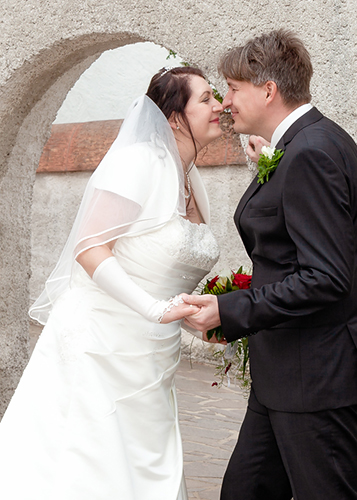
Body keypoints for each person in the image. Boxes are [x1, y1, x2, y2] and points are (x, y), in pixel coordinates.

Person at [0, 66, 223, 499]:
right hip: (101, 346)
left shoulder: (189, 178)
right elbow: (90, 248)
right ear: (175, 118)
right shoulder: (138, 162)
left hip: (152, 356)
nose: (219, 107)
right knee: (87, 466)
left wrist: (205, 314)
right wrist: (155, 310)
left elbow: (162, 266)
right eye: (207, 99)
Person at [183, 29, 357, 499]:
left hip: (315, 378)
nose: (225, 101)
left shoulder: (312, 152)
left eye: (233, 88)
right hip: (284, 373)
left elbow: (326, 277)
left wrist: (230, 311)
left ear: (267, 90)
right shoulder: (303, 145)